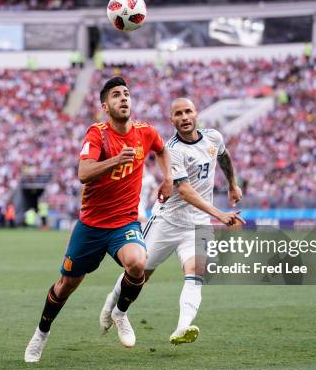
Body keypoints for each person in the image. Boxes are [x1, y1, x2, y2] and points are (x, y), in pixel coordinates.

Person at [24, 77, 173, 363]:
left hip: (124, 223)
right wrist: (115, 161)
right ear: (106, 106)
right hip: (91, 226)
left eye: (127, 94)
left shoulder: (145, 132)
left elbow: (163, 149)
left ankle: (120, 312)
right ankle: (41, 334)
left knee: (138, 263)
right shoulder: (97, 134)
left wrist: (169, 179)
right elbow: (83, 172)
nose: (124, 98)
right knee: (66, 285)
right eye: (116, 95)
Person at [100, 98, 243, 345]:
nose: (185, 117)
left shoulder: (213, 137)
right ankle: (113, 306)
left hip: (197, 224)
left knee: (197, 270)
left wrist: (232, 184)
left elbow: (223, 156)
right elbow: (185, 191)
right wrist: (219, 214)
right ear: (172, 119)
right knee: (139, 274)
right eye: (178, 113)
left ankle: (183, 327)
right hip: (167, 221)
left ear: (196, 113)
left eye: (188, 111)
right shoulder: (172, 150)